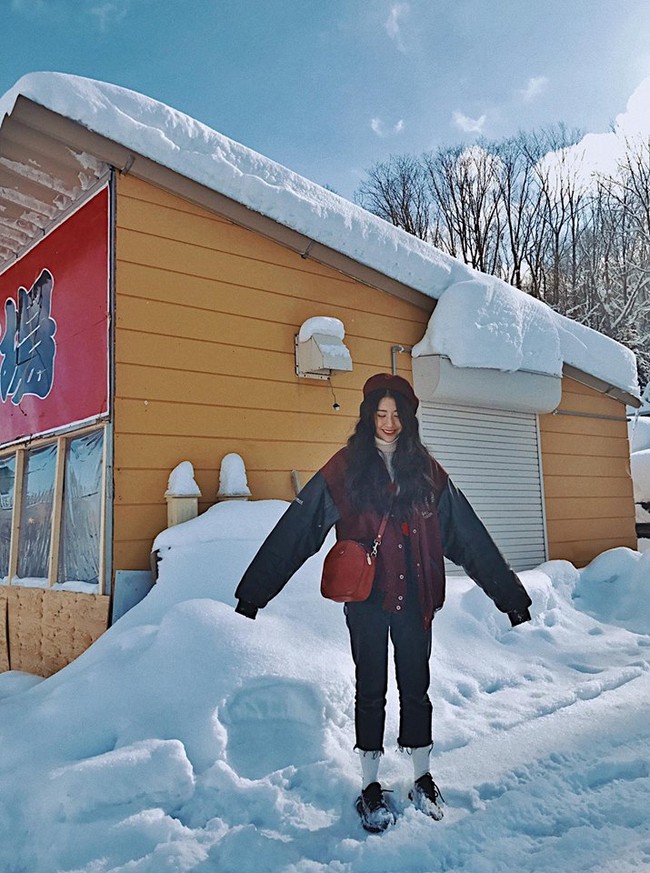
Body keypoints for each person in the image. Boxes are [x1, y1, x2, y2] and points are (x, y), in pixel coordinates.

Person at [235, 373, 532, 833]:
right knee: (369, 688)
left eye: (396, 416)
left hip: (416, 599)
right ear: (368, 416)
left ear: (408, 419)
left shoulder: (428, 472)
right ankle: (370, 785)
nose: (389, 424)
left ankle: (421, 776)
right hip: (367, 600)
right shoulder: (345, 468)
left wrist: (509, 597)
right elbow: (298, 530)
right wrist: (254, 593)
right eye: (380, 414)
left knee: (416, 687)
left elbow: (469, 536)